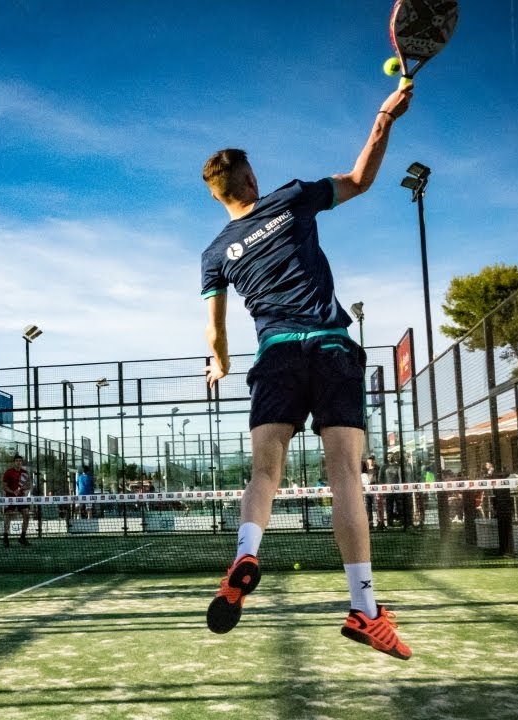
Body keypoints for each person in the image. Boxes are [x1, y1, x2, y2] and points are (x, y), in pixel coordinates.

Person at [199, 85, 414, 659]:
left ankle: (248, 548)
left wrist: (220, 363)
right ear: (247, 182)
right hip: (330, 347)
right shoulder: (292, 197)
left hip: (274, 358)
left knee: (263, 475)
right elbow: (360, 178)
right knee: (344, 473)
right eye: (251, 174)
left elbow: (215, 332)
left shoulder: (215, 253)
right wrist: (384, 117)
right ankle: (364, 608)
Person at [0, 455, 31, 547]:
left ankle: (22, 537)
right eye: (17, 461)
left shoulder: (25, 473)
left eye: (20, 461)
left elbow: (28, 485)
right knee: (8, 516)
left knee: (27, 514)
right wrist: (13, 492)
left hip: (21, 498)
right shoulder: (8, 473)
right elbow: (4, 486)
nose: (18, 462)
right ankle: (5, 537)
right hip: (10, 498)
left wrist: (21, 489)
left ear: (22, 462)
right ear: (14, 462)